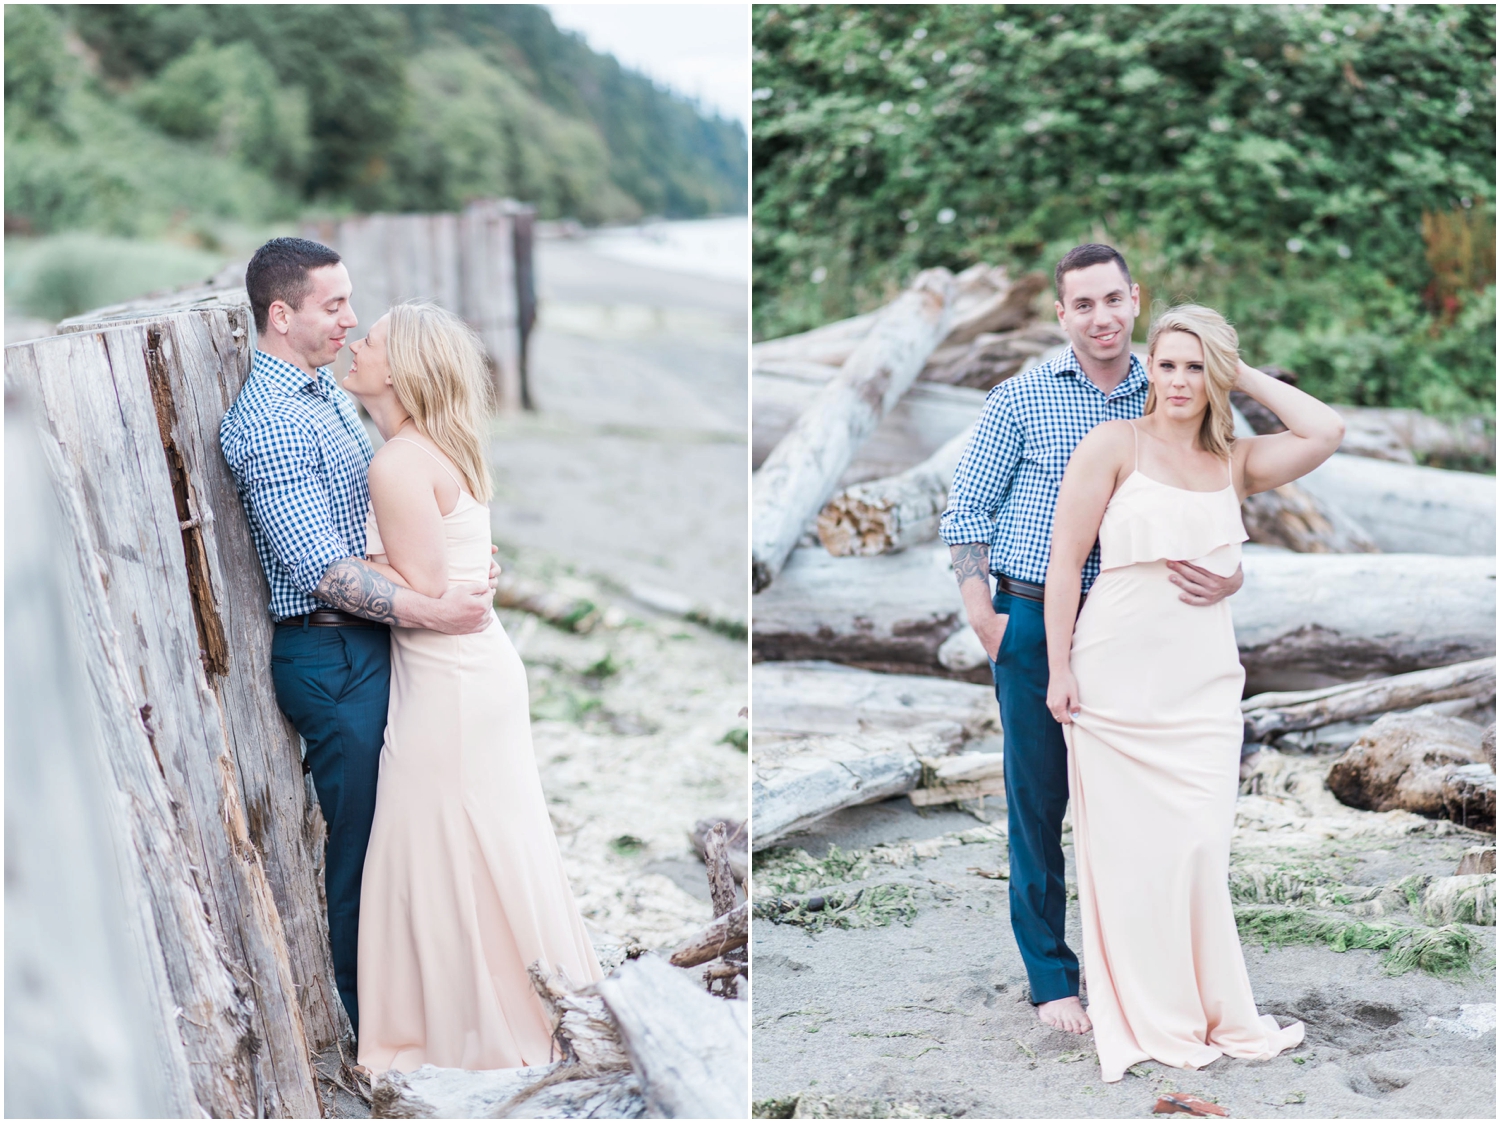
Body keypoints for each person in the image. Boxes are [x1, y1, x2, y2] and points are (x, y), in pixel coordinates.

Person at [939, 245, 1244, 1035]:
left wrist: (1231, 578)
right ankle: (1051, 977)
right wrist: (987, 616)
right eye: (1084, 305)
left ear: (1135, 299)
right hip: (1038, 614)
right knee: (1039, 803)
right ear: (1061, 314)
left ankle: (1144, 967)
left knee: (1140, 809)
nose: (1101, 318)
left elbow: (1218, 494)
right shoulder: (1022, 398)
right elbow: (967, 511)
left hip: (1148, 628)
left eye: (1114, 300)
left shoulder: (1175, 383)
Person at [1043, 304, 1337, 1081]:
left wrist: (1237, 370)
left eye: (1194, 366)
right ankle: (1151, 1009)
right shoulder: (1114, 443)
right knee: (1131, 855)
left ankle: (1209, 1004)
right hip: (1113, 674)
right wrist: (1060, 669)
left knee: (1200, 848)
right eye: (1167, 363)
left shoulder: (1235, 458)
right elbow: (1067, 561)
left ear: (1217, 375)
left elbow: (1325, 431)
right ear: (1151, 370)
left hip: (1203, 680)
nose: (1178, 380)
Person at [220, 238, 497, 1039]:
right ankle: (369, 1024)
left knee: (407, 834)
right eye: (333, 305)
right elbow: (321, 571)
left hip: (380, 639)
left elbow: (391, 518)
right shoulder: (268, 421)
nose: (351, 317)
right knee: (363, 851)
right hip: (333, 649)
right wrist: (440, 611)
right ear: (282, 314)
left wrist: (461, 558)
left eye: (350, 302)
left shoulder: (326, 394)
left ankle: (425, 995)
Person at [341, 300, 602, 1073]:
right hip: (474, 670)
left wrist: (340, 569)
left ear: (402, 368)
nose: (356, 343)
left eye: (374, 340)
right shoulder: (440, 446)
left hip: (450, 680)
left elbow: (422, 588)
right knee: (487, 843)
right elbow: (451, 567)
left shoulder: (396, 462)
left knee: (432, 850)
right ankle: (516, 1008)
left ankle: (461, 1035)